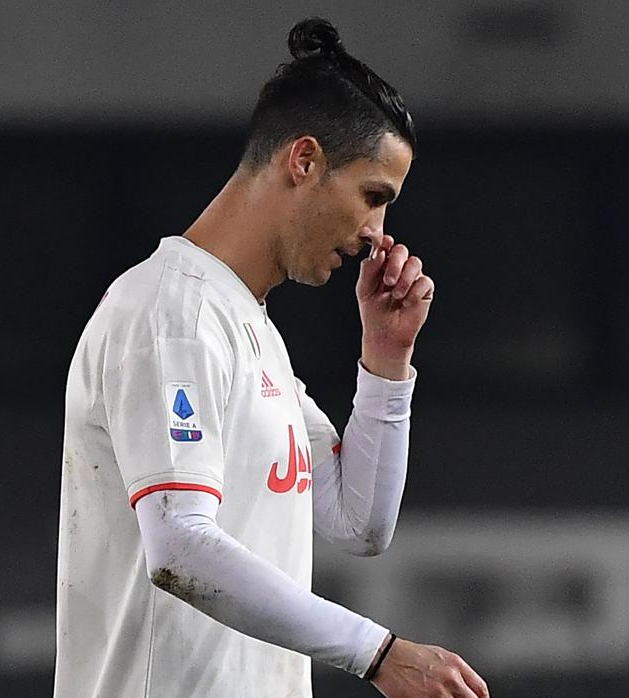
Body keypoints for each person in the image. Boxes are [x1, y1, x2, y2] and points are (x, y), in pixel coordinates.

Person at [54, 17, 490, 698]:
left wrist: (386, 356)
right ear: (304, 160)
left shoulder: (246, 330)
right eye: (373, 196)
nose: (379, 233)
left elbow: (358, 523)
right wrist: (377, 652)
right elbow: (179, 546)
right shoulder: (172, 313)